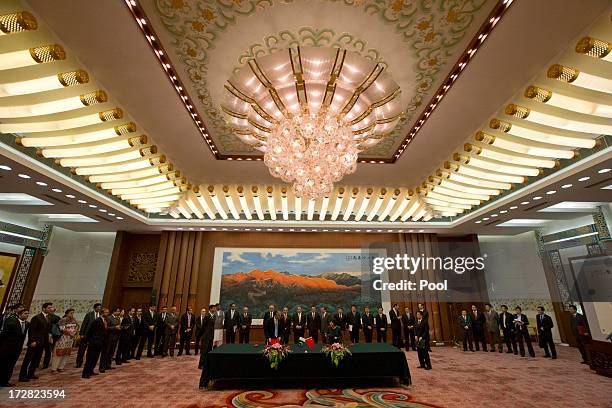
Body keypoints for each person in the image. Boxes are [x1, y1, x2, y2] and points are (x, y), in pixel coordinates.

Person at [19, 302, 52, 382]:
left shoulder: (48, 318)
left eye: (51, 307)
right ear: (44, 309)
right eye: (49, 308)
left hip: (42, 342)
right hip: (34, 342)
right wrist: (32, 341)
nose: (50, 309)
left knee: (36, 359)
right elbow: (32, 330)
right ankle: (22, 376)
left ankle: (31, 373)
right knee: (28, 359)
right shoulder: (37, 317)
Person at [0, 306, 28, 387]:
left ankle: (5, 381)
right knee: (3, 365)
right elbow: (4, 334)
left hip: (17, 349)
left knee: (11, 365)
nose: (26, 315)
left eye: (27, 314)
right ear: (19, 314)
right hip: (7, 347)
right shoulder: (12, 321)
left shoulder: (26, 324)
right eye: (25, 313)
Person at [82, 308, 109, 379]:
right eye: (106, 312)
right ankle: (85, 373)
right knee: (90, 358)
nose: (107, 314)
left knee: (95, 358)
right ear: (102, 313)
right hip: (94, 342)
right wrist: (90, 340)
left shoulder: (106, 321)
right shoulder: (96, 321)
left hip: (101, 343)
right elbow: (90, 331)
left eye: (108, 312)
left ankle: (91, 371)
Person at [76, 303, 102, 368]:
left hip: (94, 336)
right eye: (98, 307)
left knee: (90, 351)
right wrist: (81, 334)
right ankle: (79, 363)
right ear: (95, 308)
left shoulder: (100, 315)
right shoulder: (89, 315)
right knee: (81, 350)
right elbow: (84, 324)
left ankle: (87, 363)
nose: (99, 308)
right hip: (86, 335)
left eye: (100, 307)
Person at [197, 305, 215, 370]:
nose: (214, 309)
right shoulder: (207, 317)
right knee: (204, 351)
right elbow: (202, 327)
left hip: (211, 337)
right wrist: (200, 336)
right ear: (210, 309)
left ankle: (207, 364)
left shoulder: (213, 316)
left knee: (209, 351)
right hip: (206, 337)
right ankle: (201, 365)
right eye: (213, 308)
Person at [43, 305, 59, 369]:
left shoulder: (56, 317)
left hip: (51, 335)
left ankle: (46, 363)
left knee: (48, 350)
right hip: (44, 335)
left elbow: (56, 327)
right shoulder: (45, 316)